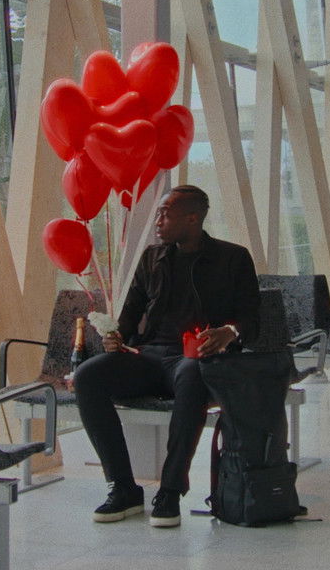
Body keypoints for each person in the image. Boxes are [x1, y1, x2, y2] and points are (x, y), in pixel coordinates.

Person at [73, 185, 259, 528]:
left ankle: (170, 490)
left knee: (192, 375)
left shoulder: (232, 258)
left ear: (192, 218)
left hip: (196, 358)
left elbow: (252, 319)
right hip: (148, 357)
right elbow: (130, 313)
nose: (158, 220)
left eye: (165, 214)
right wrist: (117, 337)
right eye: (158, 213)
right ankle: (123, 487)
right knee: (88, 376)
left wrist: (228, 332)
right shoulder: (152, 257)